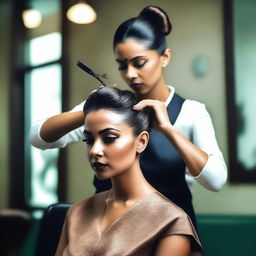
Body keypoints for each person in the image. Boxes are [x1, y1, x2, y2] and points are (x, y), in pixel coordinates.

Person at [30, 5, 227, 227]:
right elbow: (37, 137)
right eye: (122, 66)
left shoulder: (191, 112)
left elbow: (216, 180)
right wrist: (87, 110)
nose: (130, 74)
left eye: (139, 63)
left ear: (165, 57)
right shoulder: (113, 107)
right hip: (110, 229)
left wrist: (169, 130)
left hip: (171, 231)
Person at [55, 86, 203, 256]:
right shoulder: (77, 212)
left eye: (109, 138)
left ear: (141, 142)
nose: (95, 150)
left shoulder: (172, 223)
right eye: (89, 140)